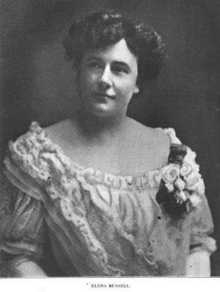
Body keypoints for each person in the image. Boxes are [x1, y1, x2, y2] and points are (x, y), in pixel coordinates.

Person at [0, 11, 216, 277]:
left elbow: (197, 245)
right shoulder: (37, 157)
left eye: (119, 69)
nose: (104, 79)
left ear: (137, 83)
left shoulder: (172, 152)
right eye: (94, 65)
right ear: (78, 71)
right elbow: (17, 259)